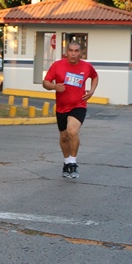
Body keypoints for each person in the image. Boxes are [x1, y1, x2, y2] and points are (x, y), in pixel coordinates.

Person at [42, 41, 98, 179]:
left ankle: (73, 163)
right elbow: (45, 82)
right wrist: (54, 87)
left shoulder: (86, 66)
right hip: (62, 107)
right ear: (66, 52)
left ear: (81, 53)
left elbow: (95, 76)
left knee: (72, 131)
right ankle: (67, 163)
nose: (73, 53)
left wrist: (91, 91)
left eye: (76, 51)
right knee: (64, 137)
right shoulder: (57, 65)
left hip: (79, 105)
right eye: (71, 50)